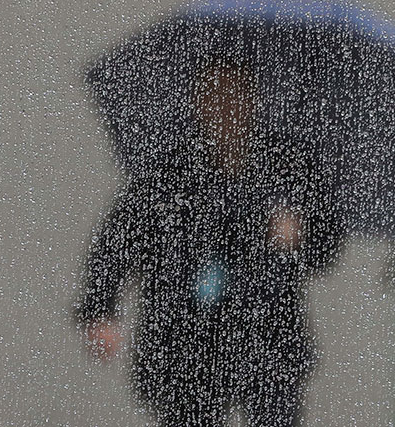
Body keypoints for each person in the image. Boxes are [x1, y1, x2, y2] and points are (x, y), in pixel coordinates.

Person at [76, 61, 344, 426]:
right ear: (198, 103)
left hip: (268, 342)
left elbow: (326, 248)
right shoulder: (169, 174)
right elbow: (118, 239)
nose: (224, 107)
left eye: (234, 95)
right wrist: (100, 309)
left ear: (252, 99)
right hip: (185, 344)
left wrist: (301, 234)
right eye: (213, 96)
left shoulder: (289, 166)